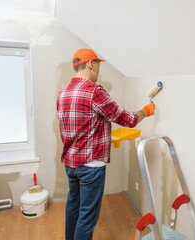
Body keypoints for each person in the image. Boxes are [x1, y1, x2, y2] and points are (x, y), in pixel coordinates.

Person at [57, 48, 155, 240]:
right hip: (91, 166)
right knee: (87, 217)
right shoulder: (94, 92)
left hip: (71, 163)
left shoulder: (63, 94)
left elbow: (78, 128)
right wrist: (145, 111)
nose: (98, 70)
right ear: (91, 64)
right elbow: (128, 119)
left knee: (73, 208)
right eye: (98, 65)